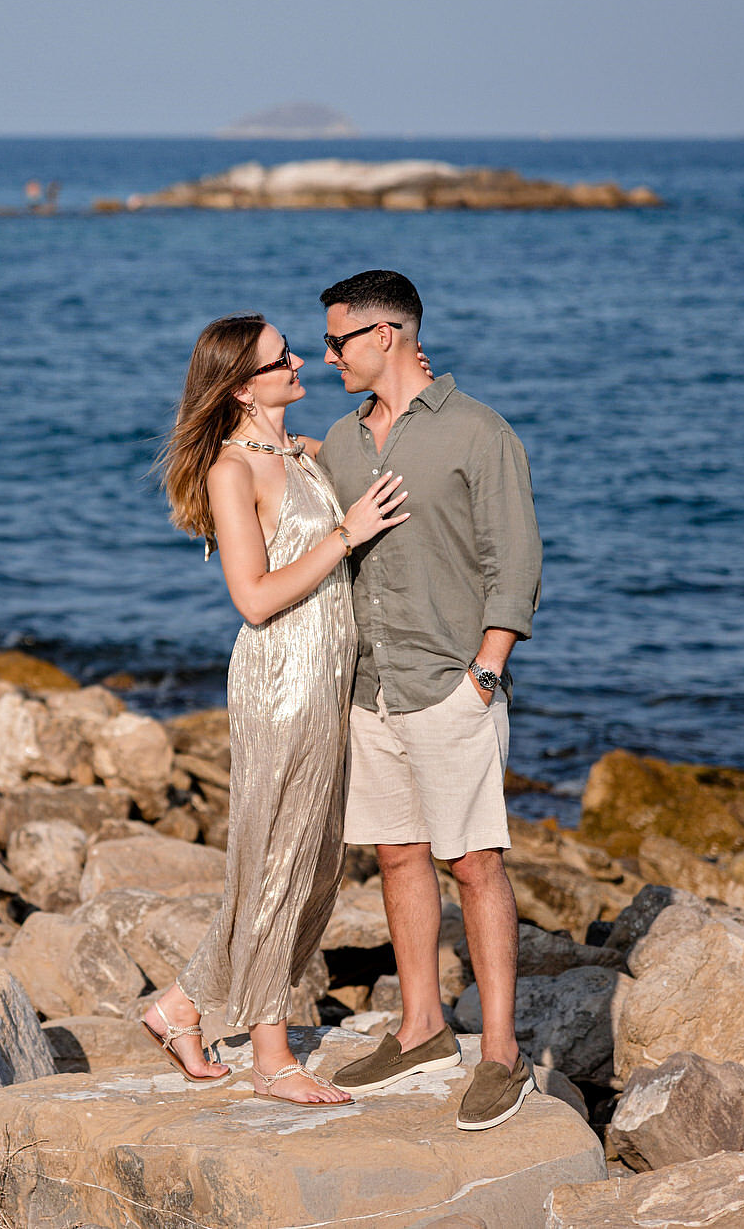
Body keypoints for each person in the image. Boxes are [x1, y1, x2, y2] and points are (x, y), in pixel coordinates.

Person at [145, 312, 413, 1105]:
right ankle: (270, 1055)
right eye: (281, 358)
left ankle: (183, 1005)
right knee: (280, 858)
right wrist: (346, 534)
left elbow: (387, 452)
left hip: (330, 676)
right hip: (280, 678)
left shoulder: (305, 451)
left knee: (316, 858)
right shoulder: (235, 470)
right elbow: (254, 599)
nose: (301, 360)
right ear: (240, 387)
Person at [310, 270, 543, 1131]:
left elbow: (514, 563)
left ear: (390, 336)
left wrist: (483, 674)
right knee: (398, 857)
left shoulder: (480, 433)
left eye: (338, 340)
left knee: (475, 861)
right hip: (370, 689)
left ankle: (502, 1054)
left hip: (451, 684)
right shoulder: (339, 439)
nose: (325, 354)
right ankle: (420, 1029)